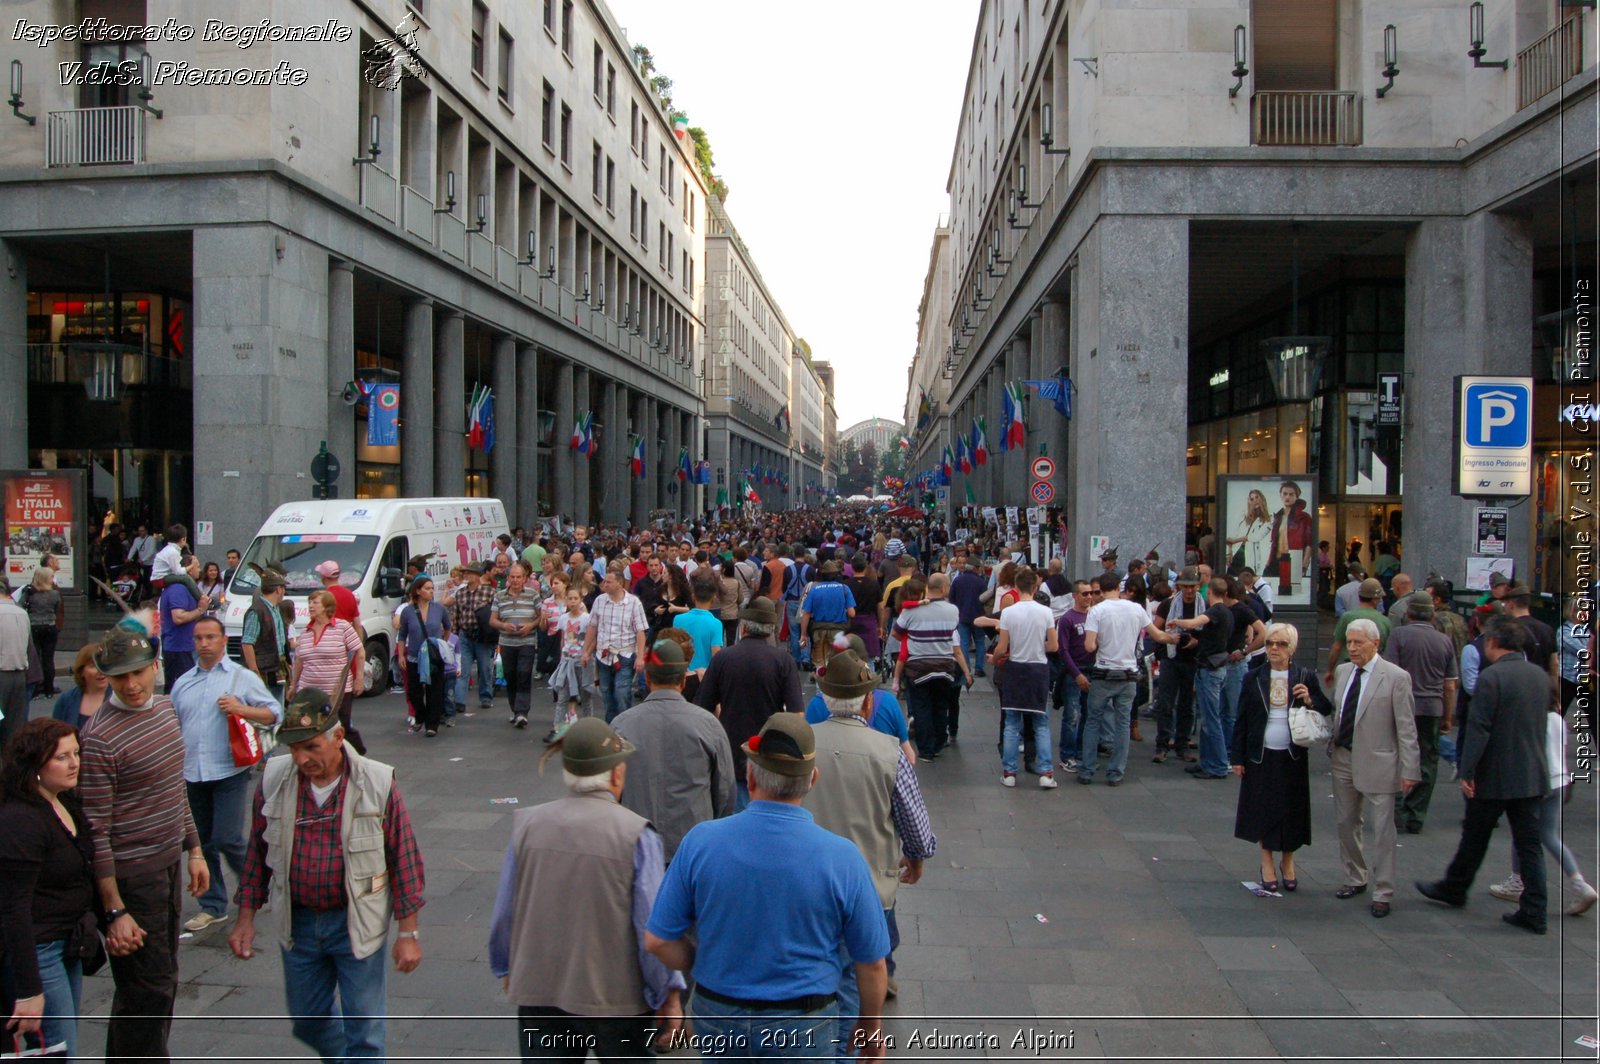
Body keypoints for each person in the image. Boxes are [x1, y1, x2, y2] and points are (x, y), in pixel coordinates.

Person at [643, 714, 890, 1061]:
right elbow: (872, 964)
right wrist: (870, 1025)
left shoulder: (701, 842)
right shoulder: (843, 857)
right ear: (812, 780)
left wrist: (704, 962)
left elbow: (657, 939)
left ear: (750, 775)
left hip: (719, 1010)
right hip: (804, 1018)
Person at [229, 689, 426, 1059]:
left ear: (338, 737)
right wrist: (245, 919)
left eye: (312, 747)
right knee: (308, 1019)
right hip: (298, 922)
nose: (302, 758)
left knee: (365, 1030)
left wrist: (408, 933)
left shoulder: (378, 783)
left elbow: (404, 859)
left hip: (356, 921)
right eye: (294, 748)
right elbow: (256, 855)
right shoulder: (274, 780)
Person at [489, 716, 683, 1060]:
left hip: (541, 991)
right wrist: (667, 991)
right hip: (617, 999)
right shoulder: (636, 834)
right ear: (616, 773)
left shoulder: (527, 824)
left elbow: (506, 911)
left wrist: (507, 968)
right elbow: (649, 925)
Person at [77, 623, 209, 1063]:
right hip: (132, 877)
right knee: (146, 989)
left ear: (155, 666)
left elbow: (175, 788)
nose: (131, 685)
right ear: (106, 677)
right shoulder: (99, 737)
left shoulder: (167, 710)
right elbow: (95, 830)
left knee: (161, 982)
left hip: (168, 863)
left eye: (138, 673)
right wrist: (113, 910)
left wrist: (193, 848)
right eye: (119, 677)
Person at [806, 649, 936, 1033]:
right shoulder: (889, 751)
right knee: (860, 965)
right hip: (869, 882)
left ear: (823, 697)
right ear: (867, 701)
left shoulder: (804, 744)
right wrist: (916, 858)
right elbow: (913, 821)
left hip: (809, 879)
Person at [1414, 616, 1552, 933]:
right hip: (1531, 772)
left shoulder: (1492, 678)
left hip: (1494, 774)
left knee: (1475, 836)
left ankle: (1454, 887)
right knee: (1529, 845)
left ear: (1491, 642)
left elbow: (1479, 729)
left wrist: (1467, 770)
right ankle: (1535, 909)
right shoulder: (1538, 677)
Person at [169, 616, 283, 933]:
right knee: (202, 841)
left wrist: (241, 708)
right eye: (198, 638)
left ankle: (257, 884)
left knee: (227, 836)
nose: (203, 643)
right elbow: (173, 722)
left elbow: (275, 713)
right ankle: (213, 904)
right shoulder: (183, 683)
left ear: (222, 640)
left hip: (229, 769)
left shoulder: (240, 678)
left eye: (210, 637)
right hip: (192, 772)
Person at [0, 718, 99, 1060]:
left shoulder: (64, 801)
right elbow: (14, 908)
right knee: (57, 1050)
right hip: (40, 951)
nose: (74, 763)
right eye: (62, 757)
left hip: (66, 943)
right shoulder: (20, 820)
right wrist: (29, 991)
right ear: (35, 764)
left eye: (76, 753)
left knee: (60, 1047)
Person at [1230, 623, 1333, 892]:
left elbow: (1326, 707)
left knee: (1291, 809)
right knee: (1263, 808)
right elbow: (1241, 718)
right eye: (1270, 643)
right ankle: (1266, 862)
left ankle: (1288, 861)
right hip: (1260, 754)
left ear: (1292, 648)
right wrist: (1237, 757)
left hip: (1292, 754)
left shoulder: (1304, 675)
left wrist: (1309, 699)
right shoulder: (1253, 677)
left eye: (1281, 644)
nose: (1274, 648)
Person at [1328, 619, 1420, 918]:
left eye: (1358, 643)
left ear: (1375, 644)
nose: (1352, 648)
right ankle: (1355, 876)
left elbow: (1406, 727)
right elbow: (1340, 711)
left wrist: (1410, 768)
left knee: (1382, 830)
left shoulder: (1396, 677)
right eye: (1349, 642)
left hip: (1380, 760)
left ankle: (1383, 889)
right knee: (1346, 822)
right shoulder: (1343, 672)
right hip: (1343, 757)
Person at [612, 639, 735, 862]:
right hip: (692, 845)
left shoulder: (621, 725)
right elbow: (725, 790)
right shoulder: (708, 725)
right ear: (682, 681)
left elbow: (610, 792)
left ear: (648, 679)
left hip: (636, 845)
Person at [694, 597, 805, 810]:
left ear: (743, 627)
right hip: (768, 755)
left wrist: (720, 716)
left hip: (731, 751)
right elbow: (796, 716)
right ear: (770, 629)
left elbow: (703, 706)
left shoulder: (724, 658)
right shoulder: (783, 661)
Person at [1080, 572, 1176, 786]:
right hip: (1128, 674)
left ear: (1102, 591)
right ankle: (1116, 772)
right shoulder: (1136, 608)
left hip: (1103, 672)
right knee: (1123, 724)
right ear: (1118, 587)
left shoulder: (1097, 610)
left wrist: (1099, 644)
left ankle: (1087, 769)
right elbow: (1158, 635)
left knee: (1093, 721)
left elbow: (1089, 646)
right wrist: (1175, 638)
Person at [1382, 592, 1459, 835]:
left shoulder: (1399, 635)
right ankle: (1416, 813)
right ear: (1432, 614)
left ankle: (1398, 810)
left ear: (1408, 613)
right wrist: (1448, 716)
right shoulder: (1444, 641)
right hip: (1432, 707)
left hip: (1402, 705)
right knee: (1427, 760)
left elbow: (1388, 673)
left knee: (1396, 755)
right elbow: (1450, 684)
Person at [891, 574, 972, 761]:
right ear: (943, 589)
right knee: (940, 705)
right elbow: (952, 634)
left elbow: (896, 633)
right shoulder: (952, 610)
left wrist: (912, 640)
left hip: (918, 666)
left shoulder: (911, 611)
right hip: (944, 665)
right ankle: (938, 744)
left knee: (921, 707)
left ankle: (926, 749)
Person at [995, 568, 1060, 789]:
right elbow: (1054, 645)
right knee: (1041, 723)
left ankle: (1009, 772)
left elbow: (1002, 647)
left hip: (1015, 669)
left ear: (1016, 585)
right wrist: (1036, 645)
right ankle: (1046, 773)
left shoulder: (1008, 613)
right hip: (1038, 669)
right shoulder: (1045, 613)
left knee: (1012, 723)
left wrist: (995, 657)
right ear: (1035, 587)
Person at [1170, 576, 1238, 781]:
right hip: (1216, 667)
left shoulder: (1216, 611)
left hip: (1210, 669)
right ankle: (1208, 762)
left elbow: (1195, 622)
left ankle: (1217, 765)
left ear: (1209, 593)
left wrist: (1177, 622)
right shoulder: (1228, 613)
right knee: (1208, 719)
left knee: (1211, 719)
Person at [286, 590, 366, 752]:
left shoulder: (342, 627)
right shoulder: (306, 633)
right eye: (309, 602)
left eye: (315, 602)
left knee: (339, 728)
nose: (310, 606)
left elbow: (360, 651)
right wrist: (293, 685)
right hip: (310, 691)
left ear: (327, 606)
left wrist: (359, 678)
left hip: (337, 691)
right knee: (313, 729)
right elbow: (299, 661)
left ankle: (355, 755)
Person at [583, 564, 650, 723]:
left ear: (619, 583)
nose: (605, 585)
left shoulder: (634, 602)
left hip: (625, 655)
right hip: (603, 655)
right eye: (605, 582)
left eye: (608, 582)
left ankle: (625, 725)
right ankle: (611, 725)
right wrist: (585, 651)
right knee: (606, 692)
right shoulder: (600, 601)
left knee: (621, 691)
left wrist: (640, 657)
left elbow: (640, 631)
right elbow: (592, 627)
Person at [397, 575, 452, 737]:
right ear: (418, 591)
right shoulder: (408, 611)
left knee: (434, 690)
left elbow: (448, 628)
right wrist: (401, 655)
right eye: (427, 588)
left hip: (434, 656)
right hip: (414, 656)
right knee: (414, 691)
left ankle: (432, 724)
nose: (431, 591)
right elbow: (402, 634)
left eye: (432, 588)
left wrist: (443, 645)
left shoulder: (439, 609)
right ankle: (420, 715)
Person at [492, 560, 544, 729]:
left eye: (518, 577)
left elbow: (540, 617)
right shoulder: (499, 596)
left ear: (524, 578)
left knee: (524, 674)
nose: (515, 580)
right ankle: (515, 709)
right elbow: (492, 620)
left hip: (526, 641)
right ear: (508, 578)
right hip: (506, 642)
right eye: (512, 577)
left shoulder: (532, 595)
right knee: (510, 676)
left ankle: (522, 712)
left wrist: (530, 625)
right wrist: (503, 625)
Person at [449, 562, 499, 718]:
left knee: (485, 668)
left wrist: (495, 636)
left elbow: (496, 614)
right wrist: (454, 635)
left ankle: (486, 696)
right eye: (465, 573)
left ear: (478, 575)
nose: (466, 575)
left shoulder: (490, 592)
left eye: (469, 573)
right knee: (463, 670)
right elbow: (456, 615)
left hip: (483, 635)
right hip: (465, 635)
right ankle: (460, 701)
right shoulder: (460, 593)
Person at [546, 586, 595, 742]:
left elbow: (592, 638)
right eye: (570, 598)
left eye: (575, 598)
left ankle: (588, 727)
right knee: (563, 695)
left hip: (583, 661)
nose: (572, 602)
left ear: (580, 600)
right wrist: (562, 655)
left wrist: (587, 653)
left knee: (586, 694)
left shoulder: (587, 618)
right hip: (567, 660)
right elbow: (563, 638)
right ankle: (557, 728)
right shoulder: (563, 618)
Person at [1326, 578, 1393, 683]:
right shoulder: (1386, 621)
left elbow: (1337, 647)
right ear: (1375, 600)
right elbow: (1389, 652)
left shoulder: (1347, 617)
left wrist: (1330, 670)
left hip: (1351, 667)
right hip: (1376, 670)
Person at [240, 568, 292, 702]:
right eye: (283, 588)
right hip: (264, 669)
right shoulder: (257, 611)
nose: (284, 592)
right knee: (266, 706)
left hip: (277, 665)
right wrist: (254, 673)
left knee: (278, 705)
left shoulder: (276, 608)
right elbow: (247, 643)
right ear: (278, 590)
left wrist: (287, 661)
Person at [674, 570, 727, 679]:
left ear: (693, 597)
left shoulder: (678, 619)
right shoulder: (715, 624)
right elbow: (716, 656)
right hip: (704, 676)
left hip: (682, 675)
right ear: (714, 598)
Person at [21, 567, 64, 699]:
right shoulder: (54, 594)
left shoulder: (30, 592)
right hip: (49, 626)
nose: (53, 579)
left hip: (34, 626)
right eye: (51, 577)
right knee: (48, 658)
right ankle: (49, 688)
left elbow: (23, 606)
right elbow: (57, 607)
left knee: (35, 657)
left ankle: (35, 687)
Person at [1267, 481, 1313, 597]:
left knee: (1293, 594)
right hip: (1275, 561)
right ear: (1280, 495)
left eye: (1291, 494)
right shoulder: (1277, 517)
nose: (1287, 497)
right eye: (1285, 493)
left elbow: (1309, 543)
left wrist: (1304, 564)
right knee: (1272, 593)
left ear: (1296, 497)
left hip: (1293, 561)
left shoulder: (1304, 518)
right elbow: (1274, 542)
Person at [53, 644, 110, 731]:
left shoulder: (121, 699)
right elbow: (55, 735)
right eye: (93, 666)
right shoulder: (66, 700)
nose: (100, 671)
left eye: (104, 664)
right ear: (81, 671)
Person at [1225, 489, 1273, 576]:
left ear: (1262, 499)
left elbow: (1257, 537)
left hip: (1250, 556)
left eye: (1256, 497)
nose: (1255, 501)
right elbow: (1232, 535)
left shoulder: (1269, 519)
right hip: (1236, 554)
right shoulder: (1244, 517)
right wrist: (1228, 552)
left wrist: (1236, 540)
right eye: (1251, 499)